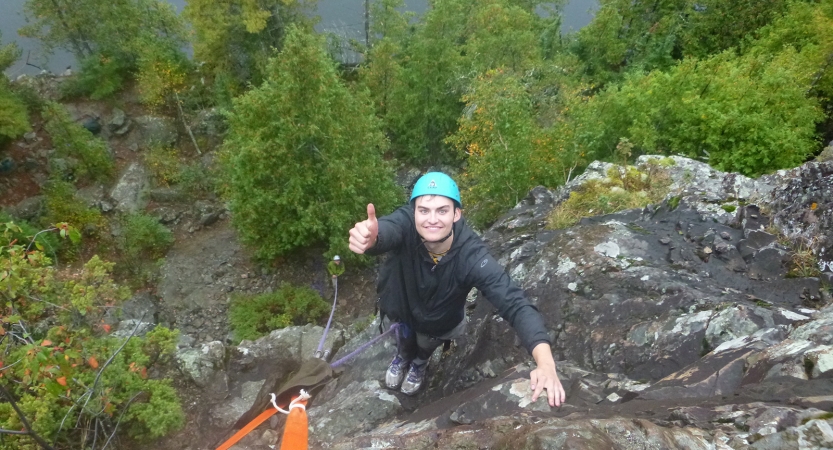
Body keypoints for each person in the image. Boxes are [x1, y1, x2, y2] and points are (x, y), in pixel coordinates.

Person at [348, 172, 565, 406]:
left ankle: (419, 364)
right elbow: (389, 230)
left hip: (438, 323)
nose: (432, 219)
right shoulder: (406, 225)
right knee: (405, 339)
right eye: (424, 210)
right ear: (414, 212)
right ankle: (402, 357)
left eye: (442, 210)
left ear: (456, 214)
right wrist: (372, 239)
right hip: (402, 309)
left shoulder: (471, 255)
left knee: (425, 346)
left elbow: (514, 302)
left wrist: (546, 364)